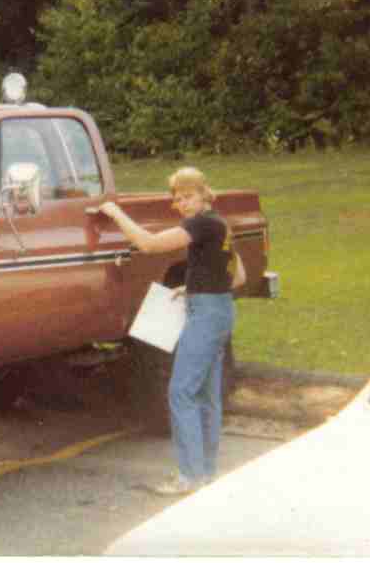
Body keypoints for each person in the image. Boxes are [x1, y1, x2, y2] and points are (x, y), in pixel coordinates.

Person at [98, 167, 246, 496]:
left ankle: (189, 477)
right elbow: (238, 277)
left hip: (205, 316)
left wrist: (115, 212)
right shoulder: (221, 225)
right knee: (207, 395)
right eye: (177, 199)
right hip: (221, 310)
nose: (182, 203)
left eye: (188, 196)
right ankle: (206, 473)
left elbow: (149, 244)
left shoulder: (198, 225)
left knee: (180, 393)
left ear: (204, 193)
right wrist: (192, 286)